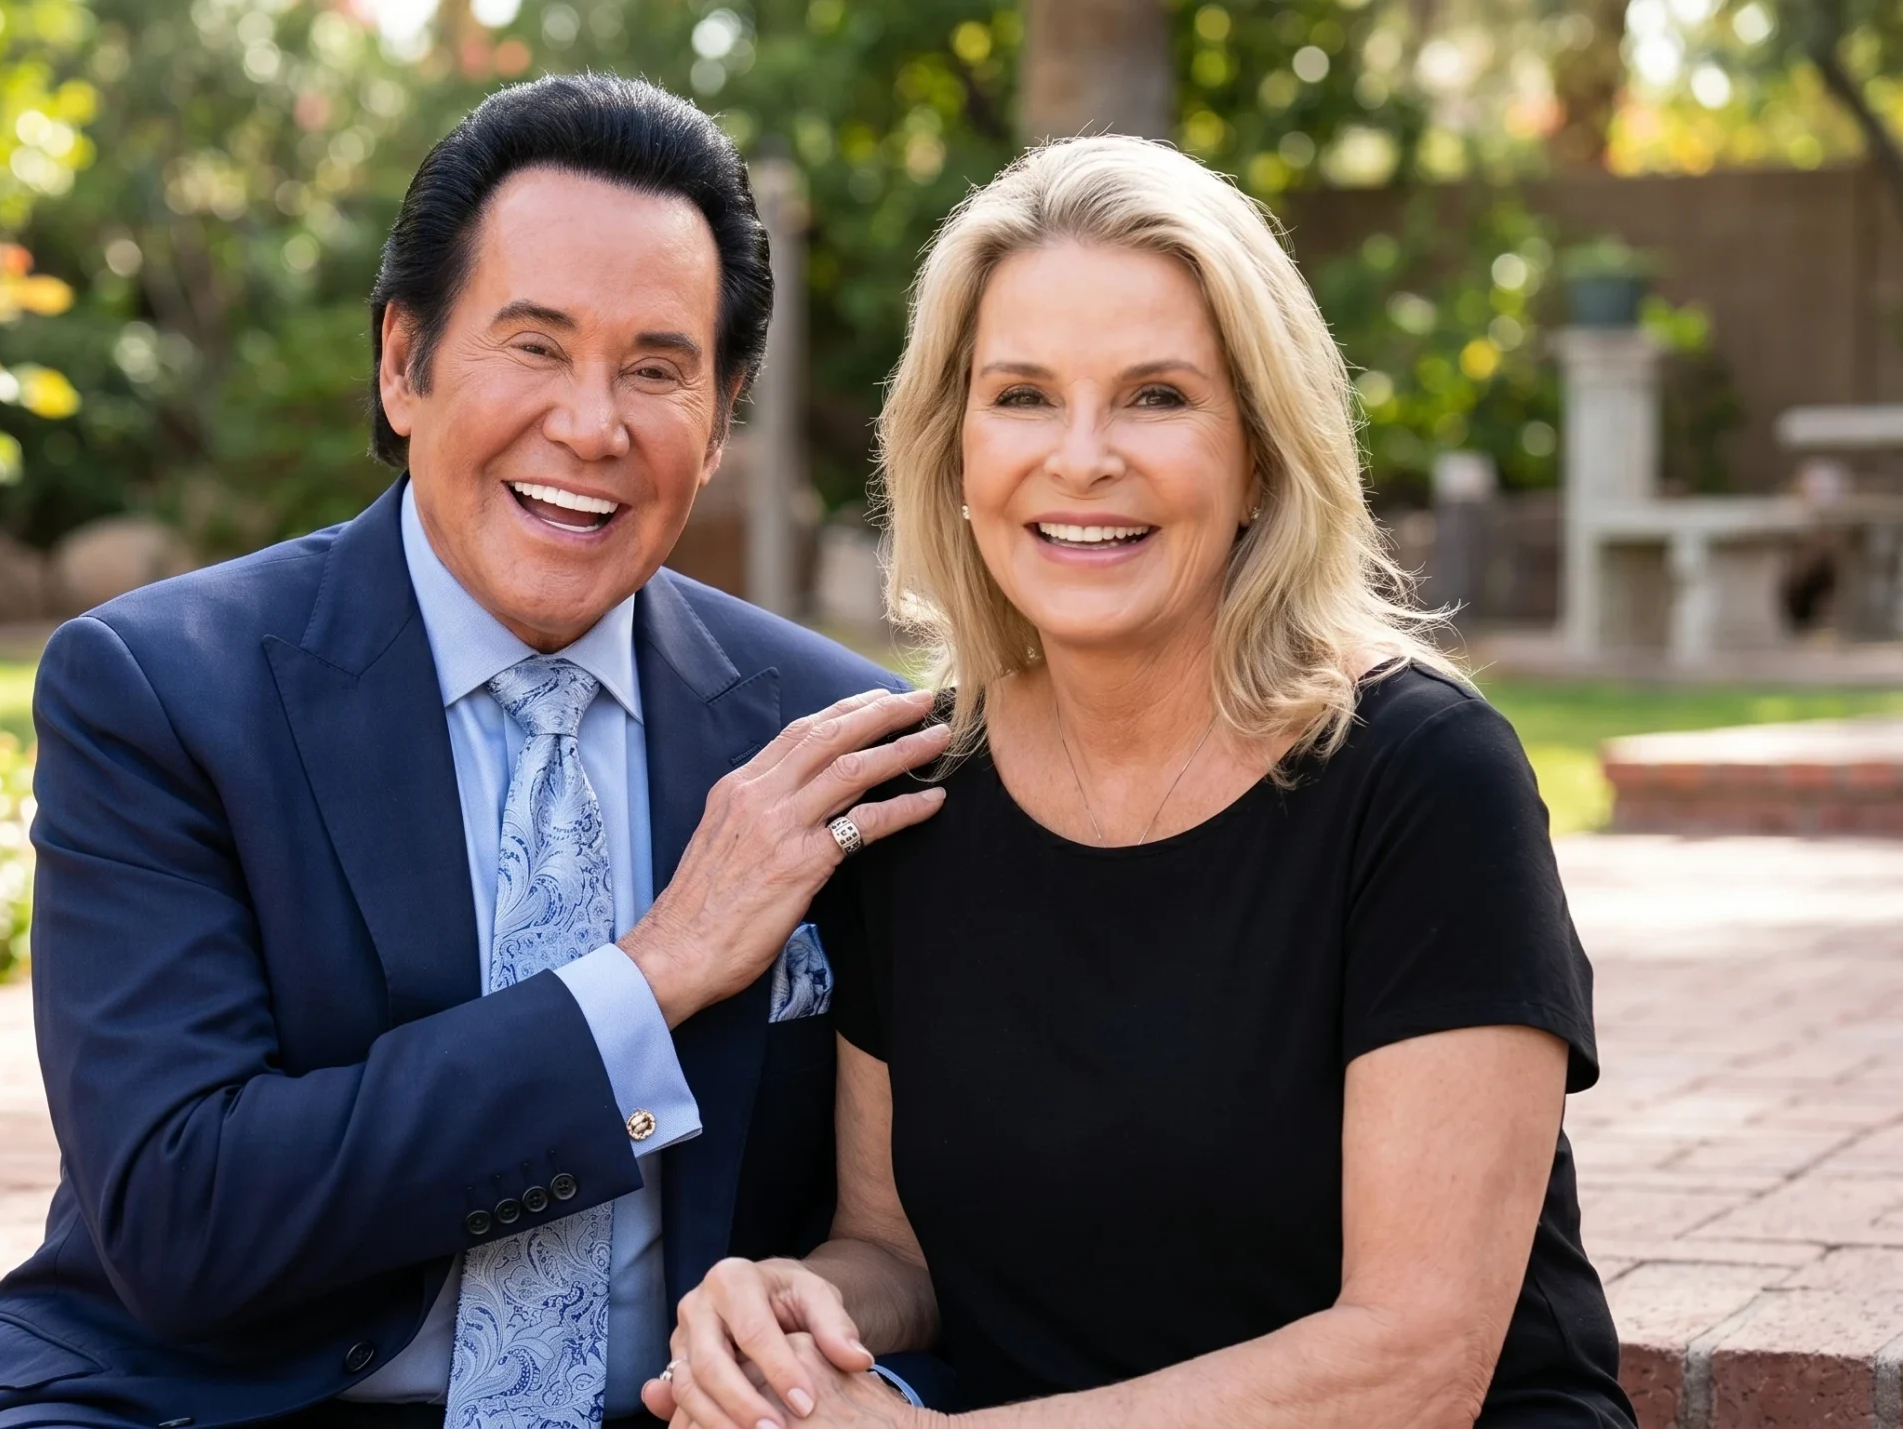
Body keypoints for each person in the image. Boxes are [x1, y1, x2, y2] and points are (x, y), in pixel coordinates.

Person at [0, 73, 955, 1429]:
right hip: (219, 1404)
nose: (591, 425)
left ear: (720, 420)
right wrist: (652, 978)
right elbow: (186, 1217)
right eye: (534, 348)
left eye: (656, 370)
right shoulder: (165, 690)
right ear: (403, 362)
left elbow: (920, 1243)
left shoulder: (838, 741)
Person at [646, 136, 1638, 1428]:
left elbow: (1414, 1362)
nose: (1081, 457)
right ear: (954, 449)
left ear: (1262, 452)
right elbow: (899, 1250)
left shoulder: (1424, 779)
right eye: (1022, 396)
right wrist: (791, 1310)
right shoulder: (914, 798)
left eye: (1156, 397)